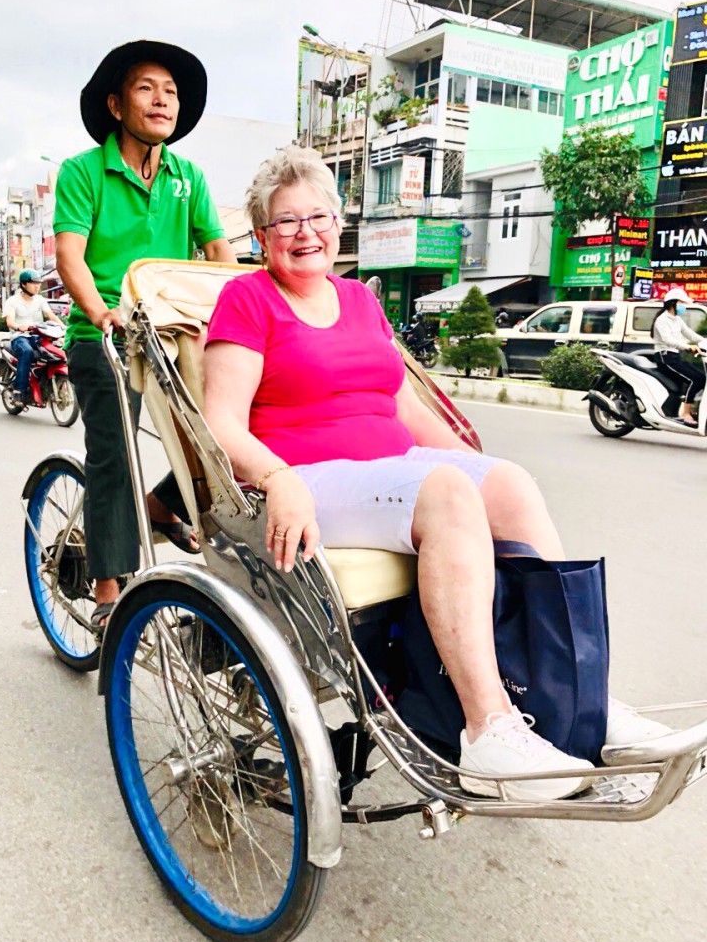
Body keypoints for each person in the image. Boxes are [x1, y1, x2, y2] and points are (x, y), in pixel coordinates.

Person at [202, 145, 669, 803]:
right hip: (309, 476)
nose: (305, 232)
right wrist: (279, 479)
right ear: (262, 235)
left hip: (386, 471)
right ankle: (488, 728)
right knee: (446, 493)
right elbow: (220, 421)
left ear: (339, 224)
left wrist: (476, 468)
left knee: (508, 482)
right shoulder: (247, 300)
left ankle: (578, 696)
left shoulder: (360, 300)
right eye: (286, 221)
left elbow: (403, 404)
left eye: (318, 216)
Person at [54, 40, 236, 630]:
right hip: (102, 332)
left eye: (172, 92)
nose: (163, 100)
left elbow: (217, 251)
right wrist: (100, 311)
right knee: (115, 452)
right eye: (146, 88)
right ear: (115, 104)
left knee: (223, 430)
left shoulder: (188, 177)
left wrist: (237, 308)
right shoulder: (84, 173)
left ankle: (161, 504)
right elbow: (70, 257)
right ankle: (110, 591)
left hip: (172, 328)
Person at [3, 270, 63, 407]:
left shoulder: (40, 300)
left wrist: (64, 327)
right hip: (20, 337)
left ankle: (45, 383)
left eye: (38, 284)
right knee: (27, 352)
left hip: (38, 335)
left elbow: (51, 316)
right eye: (33, 283)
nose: (37, 286)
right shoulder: (12, 301)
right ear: (24, 284)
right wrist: (19, 327)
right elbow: (9, 321)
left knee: (54, 351)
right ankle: (19, 390)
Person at [651, 287, 706, 426]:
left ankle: (687, 409)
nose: (684, 306)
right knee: (696, 379)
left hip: (674, 357)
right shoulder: (662, 320)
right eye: (682, 302)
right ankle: (685, 413)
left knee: (702, 377)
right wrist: (687, 347)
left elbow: (689, 334)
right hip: (665, 358)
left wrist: (704, 342)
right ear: (672, 303)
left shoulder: (677, 319)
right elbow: (668, 340)